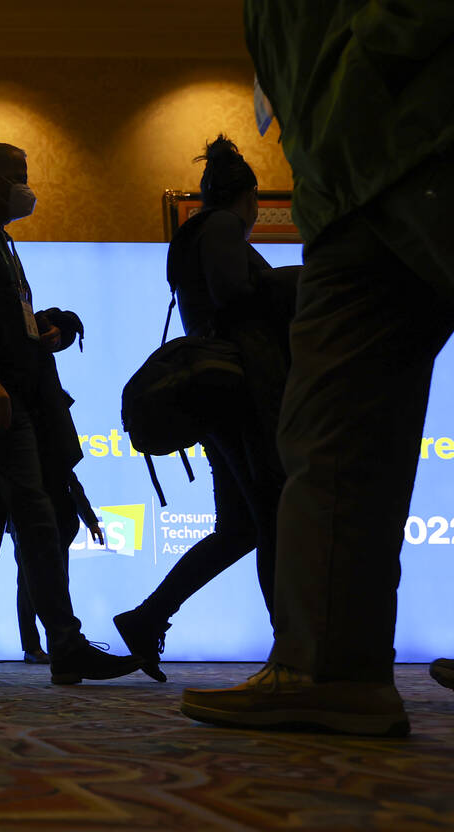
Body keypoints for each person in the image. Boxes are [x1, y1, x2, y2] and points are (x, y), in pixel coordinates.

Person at [181, 1, 454, 737]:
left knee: (326, 435)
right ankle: (330, 669)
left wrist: (377, 49)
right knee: (327, 432)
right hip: (339, 188)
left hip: (424, 133)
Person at [0, 142, 142, 686]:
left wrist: (40, 331)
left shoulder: (1, 242)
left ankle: (65, 645)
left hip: (9, 398)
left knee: (38, 516)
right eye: (20, 176)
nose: (28, 185)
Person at [113, 136, 296, 682]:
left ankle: (146, 618)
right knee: (273, 519)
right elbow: (234, 294)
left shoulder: (198, 232)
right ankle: (290, 652)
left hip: (221, 395)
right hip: (240, 395)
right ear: (252, 198)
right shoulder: (221, 227)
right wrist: (290, 281)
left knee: (242, 528)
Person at [16, 471, 104, 665]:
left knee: (58, 583)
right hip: (25, 521)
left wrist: (91, 520)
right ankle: (33, 647)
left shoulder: (53, 452)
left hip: (58, 525)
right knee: (28, 586)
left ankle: (62, 645)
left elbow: (72, 484)